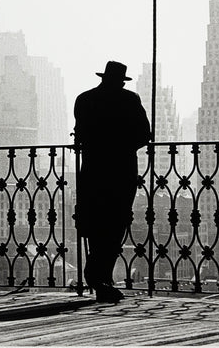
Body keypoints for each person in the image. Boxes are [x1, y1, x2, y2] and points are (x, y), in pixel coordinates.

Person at [73, 60, 151, 303]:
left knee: (95, 222)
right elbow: (144, 135)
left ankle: (97, 274)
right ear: (120, 80)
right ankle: (101, 276)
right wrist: (120, 146)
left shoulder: (84, 99)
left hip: (93, 170)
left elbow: (80, 134)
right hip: (121, 171)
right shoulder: (130, 100)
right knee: (116, 223)